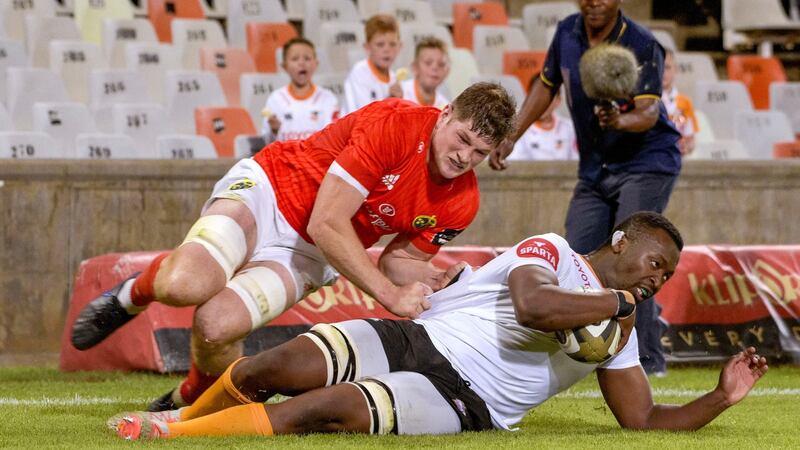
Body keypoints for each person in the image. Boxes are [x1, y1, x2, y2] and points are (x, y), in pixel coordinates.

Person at [106, 212, 769, 440]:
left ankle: (169, 437)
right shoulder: (553, 252)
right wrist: (615, 305)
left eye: (668, 275)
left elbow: (643, 421)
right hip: (418, 339)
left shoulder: (618, 334)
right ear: (621, 243)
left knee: (325, 408)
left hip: (466, 400)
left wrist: (720, 397)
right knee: (269, 367)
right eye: (656, 263)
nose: (658, 279)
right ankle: (190, 418)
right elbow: (536, 307)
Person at [71, 82, 516, 411]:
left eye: (479, 153)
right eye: (462, 139)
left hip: (311, 253)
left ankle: (188, 395)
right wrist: (390, 296)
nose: (464, 158)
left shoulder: (463, 201)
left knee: (216, 324)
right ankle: (133, 294)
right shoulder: (396, 125)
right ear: (445, 113)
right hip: (270, 189)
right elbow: (327, 221)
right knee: (187, 283)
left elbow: (400, 260)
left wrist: (436, 279)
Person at [489, 0, 681, 376]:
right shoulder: (566, 32)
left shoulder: (641, 43)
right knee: (576, 255)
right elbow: (546, 86)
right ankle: (577, 350)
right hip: (595, 169)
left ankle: (647, 360)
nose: (594, 1)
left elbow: (649, 112)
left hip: (646, 163)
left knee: (633, 260)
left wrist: (619, 120)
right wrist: (512, 135)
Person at [262, 37, 339, 143]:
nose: (301, 63)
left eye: (307, 58)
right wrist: (274, 131)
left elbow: (334, 139)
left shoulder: (328, 98)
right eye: (295, 59)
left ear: (316, 64)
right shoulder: (275, 99)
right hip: (285, 158)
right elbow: (267, 143)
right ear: (284, 66)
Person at [507, 77, 577, 161]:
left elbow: (578, 163)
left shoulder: (571, 128)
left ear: (558, 101)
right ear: (529, 99)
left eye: (547, 98)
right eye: (537, 98)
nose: (541, 105)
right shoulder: (515, 131)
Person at [343, 15, 401, 115]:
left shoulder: (393, 77)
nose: (387, 50)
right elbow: (363, 117)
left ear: (400, 46)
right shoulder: (359, 72)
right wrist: (390, 102)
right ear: (367, 47)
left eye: (392, 44)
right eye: (380, 44)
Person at [389, 37, 450, 109]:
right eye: (428, 63)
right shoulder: (397, 93)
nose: (435, 68)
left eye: (441, 64)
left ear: (447, 72)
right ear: (414, 67)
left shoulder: (445, 107)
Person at [662, 48, 699, 157]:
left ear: (676, 70)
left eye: (667, 67)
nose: (663, 72)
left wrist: (686, 147)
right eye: (659, 67)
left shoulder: (685, 102)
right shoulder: (647, 102)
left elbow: (691, 141)